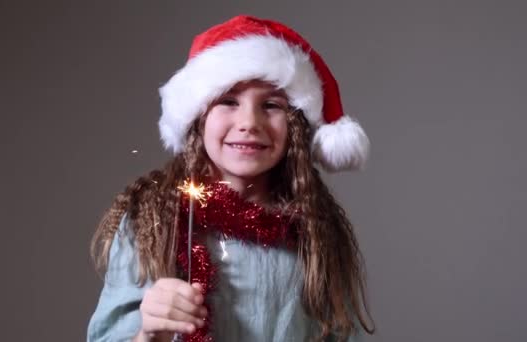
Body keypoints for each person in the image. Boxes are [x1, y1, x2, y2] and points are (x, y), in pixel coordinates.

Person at [87, 15, 375, 342]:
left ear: (294, 125)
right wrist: (149, 334)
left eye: (271, 105)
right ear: (199, 116)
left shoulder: (313, 230)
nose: (249, 122)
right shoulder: (151, 223)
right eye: (228, 101)